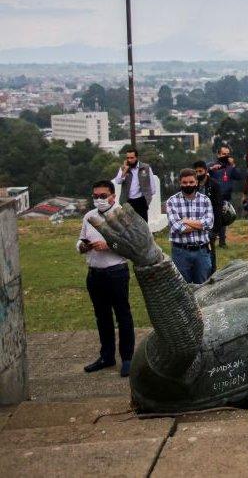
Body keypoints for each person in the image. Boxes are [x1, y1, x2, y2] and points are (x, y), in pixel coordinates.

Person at [77, 180, 135, 377]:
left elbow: (132, 245)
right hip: (95, 273)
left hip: (116, 272)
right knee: (102, 317)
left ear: (113, 196)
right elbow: (80, 240)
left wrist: (109, 245)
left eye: (103, 196)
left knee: (123, 315)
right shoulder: (89, 216)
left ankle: (127, 358)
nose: (99, 200)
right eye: (95, 196)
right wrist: (82, 246)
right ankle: (106, 356)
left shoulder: (122, 215)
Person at [166, 168, 214, 283]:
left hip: (202, 251)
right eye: (185, 183)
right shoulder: (171, 201)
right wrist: (199, 224)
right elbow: (177, 228)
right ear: (180, 183)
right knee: (182, 290)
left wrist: (185, 220)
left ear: (196, 182)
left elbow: (209, 223)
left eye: (191, 182)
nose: (188, 185)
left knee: (204, 288)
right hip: (180, 252)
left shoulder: (205, 200)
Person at [208, 145, 241, 247]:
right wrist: (211, 169)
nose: (226, 156)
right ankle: (210, 239)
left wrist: (233, 165)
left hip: (226, 196)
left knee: (223, 218)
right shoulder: (213, 165)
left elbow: (238, 176)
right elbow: (202, 174)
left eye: (227, 154)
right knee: (213, 218)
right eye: (223, 154)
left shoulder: (230, 167)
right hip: (213, 196)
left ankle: (222, 241)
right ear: (218, 154)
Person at [194, 160, 223, 278]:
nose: (198, 173)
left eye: (200, 171)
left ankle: (212, 273)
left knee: (210, 249)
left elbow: (217, 207)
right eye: (196, 171)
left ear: (206, 171)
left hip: (210, 223)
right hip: (196, 222)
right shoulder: (193, 185)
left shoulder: (214, 185)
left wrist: (216, 228)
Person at [113, 147, 154, 222]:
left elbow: (152, 186)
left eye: (132, 158)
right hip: (127, 201)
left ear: (136, 157)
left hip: (141, 200)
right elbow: (118, 181)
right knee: (129, 225)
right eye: (128, 158)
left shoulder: (146, 167)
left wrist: (148, 199)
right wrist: (124, 171)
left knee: (143, 224)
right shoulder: (123, 168)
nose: (129, 160)